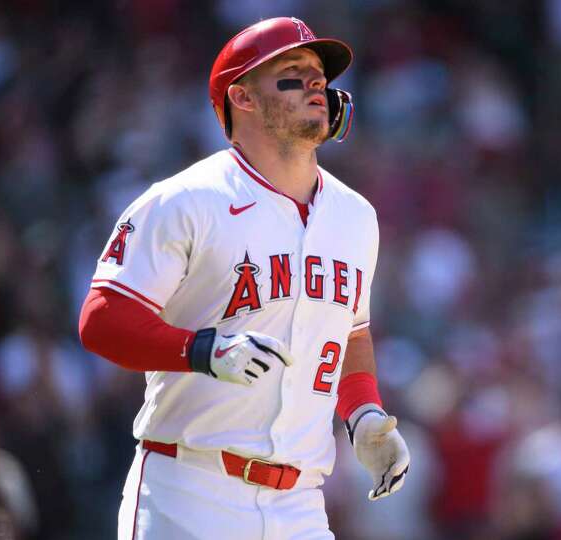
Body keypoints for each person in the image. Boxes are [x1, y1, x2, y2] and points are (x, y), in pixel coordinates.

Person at [78, 17, 409, 540]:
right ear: (243, 97)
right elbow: (101, 319)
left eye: (319, 74)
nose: (316, 82)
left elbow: (350, 332)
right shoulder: (186, 200)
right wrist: (202, 349)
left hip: (301, 503)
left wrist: (364, 412)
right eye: (293, 72)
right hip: (188, 489)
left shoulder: (355, 216)